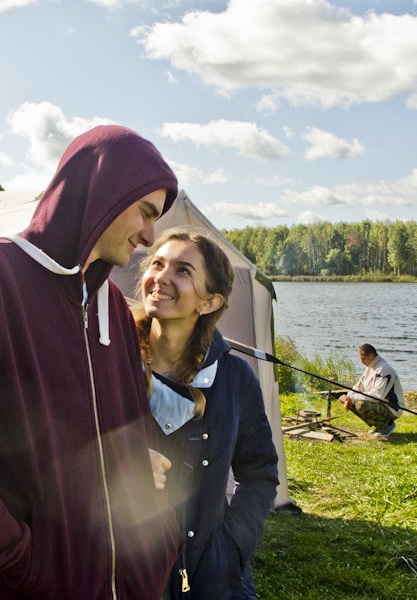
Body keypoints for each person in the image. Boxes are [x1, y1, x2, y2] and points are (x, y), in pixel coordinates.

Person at [0, 125, 184, 599]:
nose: (151, 235)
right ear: (104, 193)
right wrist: (23, 561)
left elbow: (134, 428)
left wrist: (159, 539)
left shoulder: (112, 304)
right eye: (145, 212)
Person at [132, 228, 279, 599]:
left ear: (210, 302)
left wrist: (230, 550)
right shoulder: (111, 362)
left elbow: (260, 472)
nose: (161, 277)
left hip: (212, 580)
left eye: (182, 271)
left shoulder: (233, 378)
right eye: (158, 263)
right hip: (127, 573)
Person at [338, 343, 404, 439]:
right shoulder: (370, 367)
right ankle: (380, 426)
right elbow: (358, 387)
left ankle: (388, 425)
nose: (361, 361)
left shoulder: (384, 369)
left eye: (363, 358)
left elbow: (377, 395)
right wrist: (348, 397)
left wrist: (352, 398)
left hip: (392, 408)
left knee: (361, 405)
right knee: (348, 401)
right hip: (380, 403)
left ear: (371, 356)